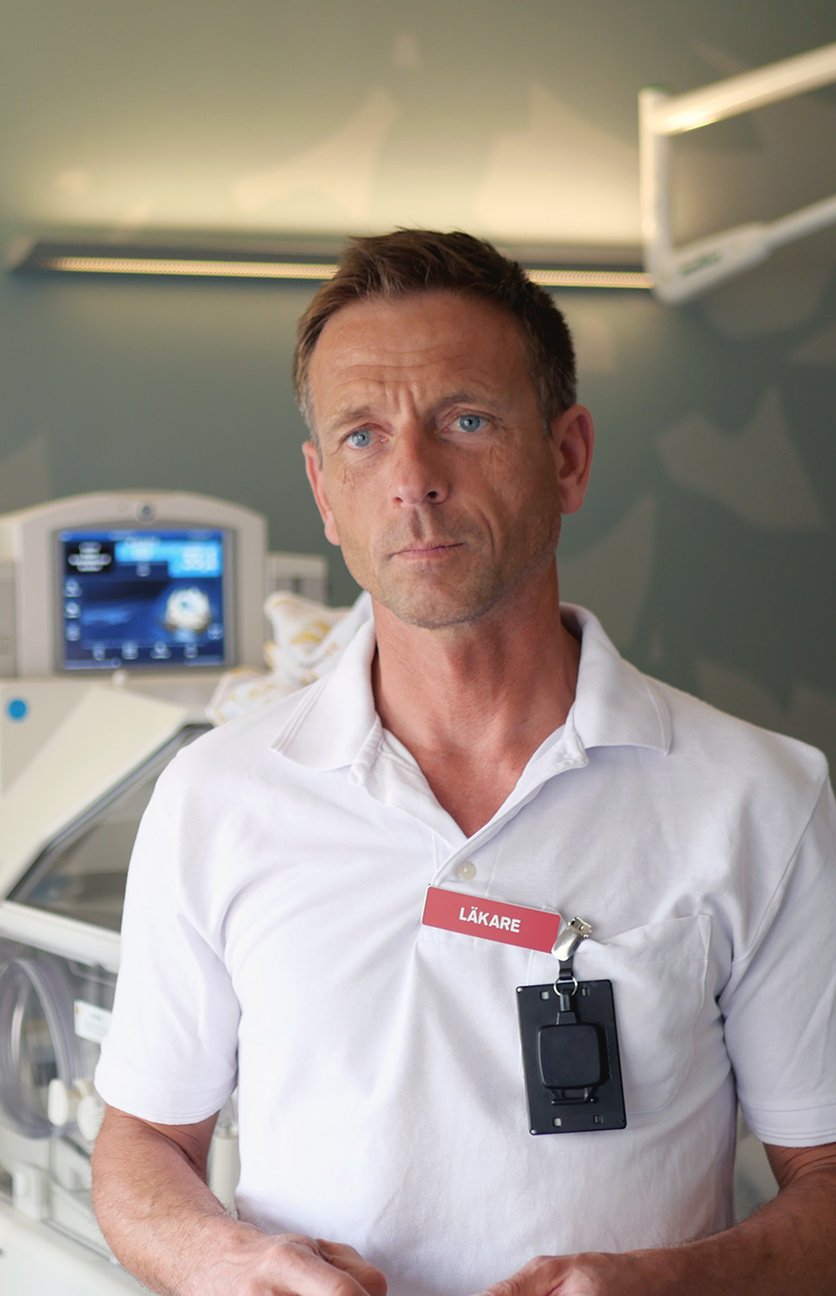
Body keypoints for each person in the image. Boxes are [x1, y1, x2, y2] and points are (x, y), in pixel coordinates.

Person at [92, 230, 836, 1296]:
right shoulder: (217, 798)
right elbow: (143, 1143)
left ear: (567, 456)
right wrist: (226, 1262)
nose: (413, 480)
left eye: (465, 421)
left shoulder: (761, 798)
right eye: (362, 436)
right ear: (322, 490)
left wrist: (676, 1283)